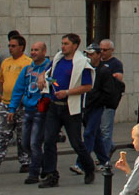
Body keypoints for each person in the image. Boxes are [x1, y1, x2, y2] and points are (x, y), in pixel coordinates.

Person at [38, 33, 96, 187]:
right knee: (49, 140)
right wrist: (41, 78)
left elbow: (88, 86)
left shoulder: (82, 63)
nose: (63, 46)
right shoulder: (58, 59)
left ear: (75, 46)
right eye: (62, 43)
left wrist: (67, 92)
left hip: (71, 109)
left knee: (76, 143)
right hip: (54, 107)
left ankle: (89, 168)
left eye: (66, 43)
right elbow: (46, 72)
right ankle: (51, 175)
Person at [10, 40, 51, 184]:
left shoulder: (50, 68)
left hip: (41, 111)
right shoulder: (27, 70)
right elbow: (18, 90)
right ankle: (45, 165)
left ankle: (33, 174)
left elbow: (57, 83)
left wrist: (47, 78)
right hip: (28, 111)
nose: (33, 52)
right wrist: (12, 109)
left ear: (44, 52)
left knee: (35, 143)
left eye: (37, 50)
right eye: (32, 50)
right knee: (25, 144)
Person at [80, 43, 123, 174]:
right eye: (87, 54)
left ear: (99, 55)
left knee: (89, 133)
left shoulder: (104, 70)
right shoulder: (86, 69)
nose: (89, 57)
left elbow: (108, 91)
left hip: (98, 106)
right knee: (96, 134)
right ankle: (105, 160)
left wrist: (99, 101)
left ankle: (82, 163)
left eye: (92, 54)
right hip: (87, 106)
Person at [0, 33, 31, 175]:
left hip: (22, 106)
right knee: (1, 134)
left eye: (13, 46)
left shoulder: (28, 62)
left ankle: (25, 162)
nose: (10, 48)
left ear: (21, 47)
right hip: (6, 104)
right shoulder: (6, 62)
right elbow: (0, 79)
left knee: (22, 135)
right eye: (9, 46)